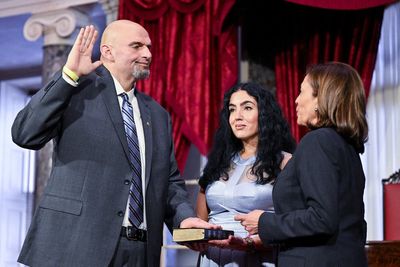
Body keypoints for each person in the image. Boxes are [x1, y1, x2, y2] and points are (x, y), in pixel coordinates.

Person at [11, 20, 217, 267]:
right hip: (76, 247)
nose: (148, 54)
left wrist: (184, 218)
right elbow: (25, 133)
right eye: (137, 46)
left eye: (149, 47)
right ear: (108, 51)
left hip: (140, 252)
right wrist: (68, 76)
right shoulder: (76, 91)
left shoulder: (157, 114)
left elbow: (169, 181)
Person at [235, 62, 369, 267]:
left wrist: (264, 222)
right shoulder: (347, 147)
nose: (296, 100)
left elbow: (322, 218)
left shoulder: (317, 141)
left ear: (320, 99)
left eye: (301, 92)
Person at [195, 82, 296, 266]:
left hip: (257, 258)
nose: (237, 117)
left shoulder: (285, 162)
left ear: (265, 115)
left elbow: (291, 227)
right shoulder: (217, 162)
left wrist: (248, 244)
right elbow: (200, 223)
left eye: (247, 108)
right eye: (232, 110)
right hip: (210, 260)